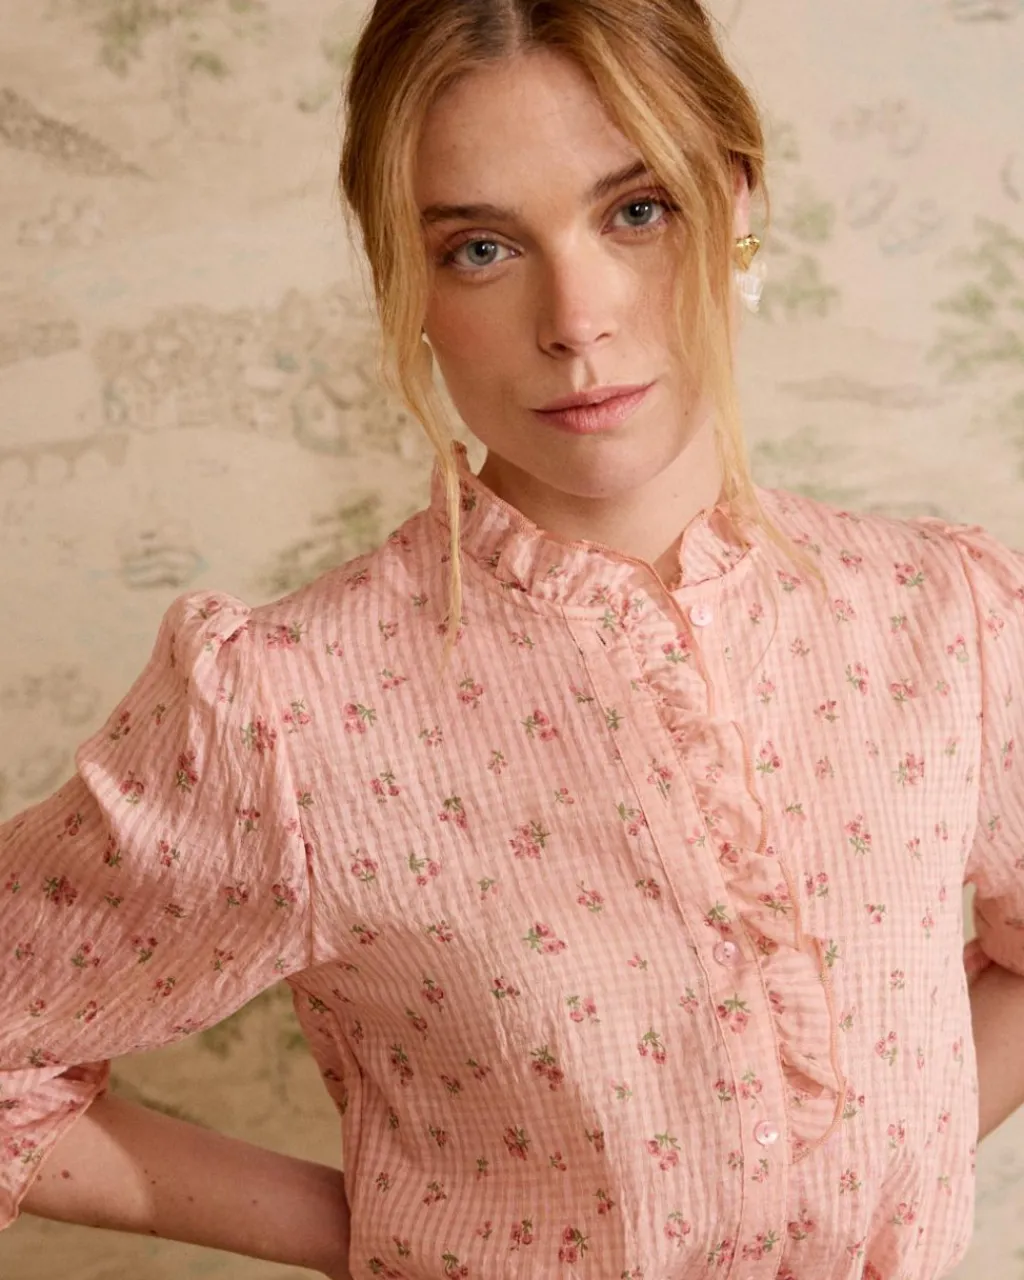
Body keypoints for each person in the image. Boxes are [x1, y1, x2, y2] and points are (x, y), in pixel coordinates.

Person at [3, 2, 1024, 1278]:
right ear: (404, 276)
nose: (576, 318)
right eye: (481, 248)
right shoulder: (288, 710)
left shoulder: (944, 616)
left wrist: (883, 1166)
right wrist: (394, 1228)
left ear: (735, 202)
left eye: (636, 211)